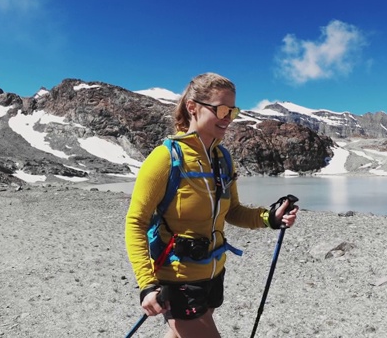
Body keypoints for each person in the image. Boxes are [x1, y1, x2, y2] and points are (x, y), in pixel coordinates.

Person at [125, 72, 298, 338]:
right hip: (179, 277)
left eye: (233, 110)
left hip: (214, 273)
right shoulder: (165, 158)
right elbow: (136, 222)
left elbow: (234, 211)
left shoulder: (223, 159)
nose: (228, 117)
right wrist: (147, 284)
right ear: (192, 107)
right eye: (221, 109)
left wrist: (270, 217)